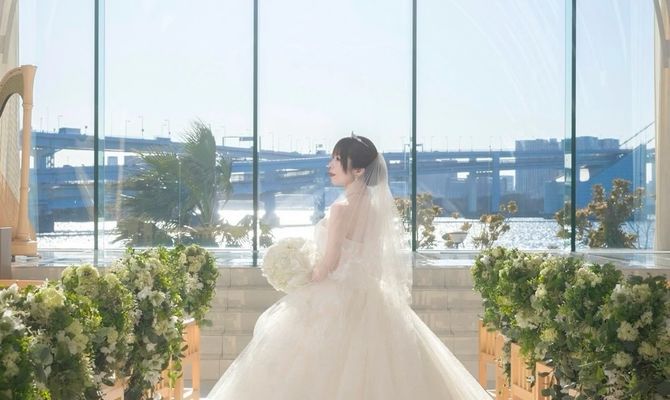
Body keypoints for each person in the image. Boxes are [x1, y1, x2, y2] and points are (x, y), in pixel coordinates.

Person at [207, 134, 490, 399]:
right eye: (332, 158)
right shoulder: (376, 210)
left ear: (358, 170)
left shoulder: (341, 209)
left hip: (337, 294)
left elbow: (330, 262)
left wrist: (304, 277)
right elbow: (371, 259)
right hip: (370, 293)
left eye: (338, 160)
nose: (330, 165)